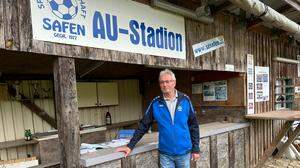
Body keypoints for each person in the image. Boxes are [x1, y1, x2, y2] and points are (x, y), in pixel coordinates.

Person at [116, 69, 200, 168]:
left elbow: (194, 125)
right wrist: (130, 145)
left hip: (184, 153)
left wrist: (196, 149)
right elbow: (143, 125)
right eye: (162, 82)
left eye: (167, 81)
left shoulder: (185, 100)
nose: (164, 85)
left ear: (174, 83)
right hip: (165, 154)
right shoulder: (155, 103)